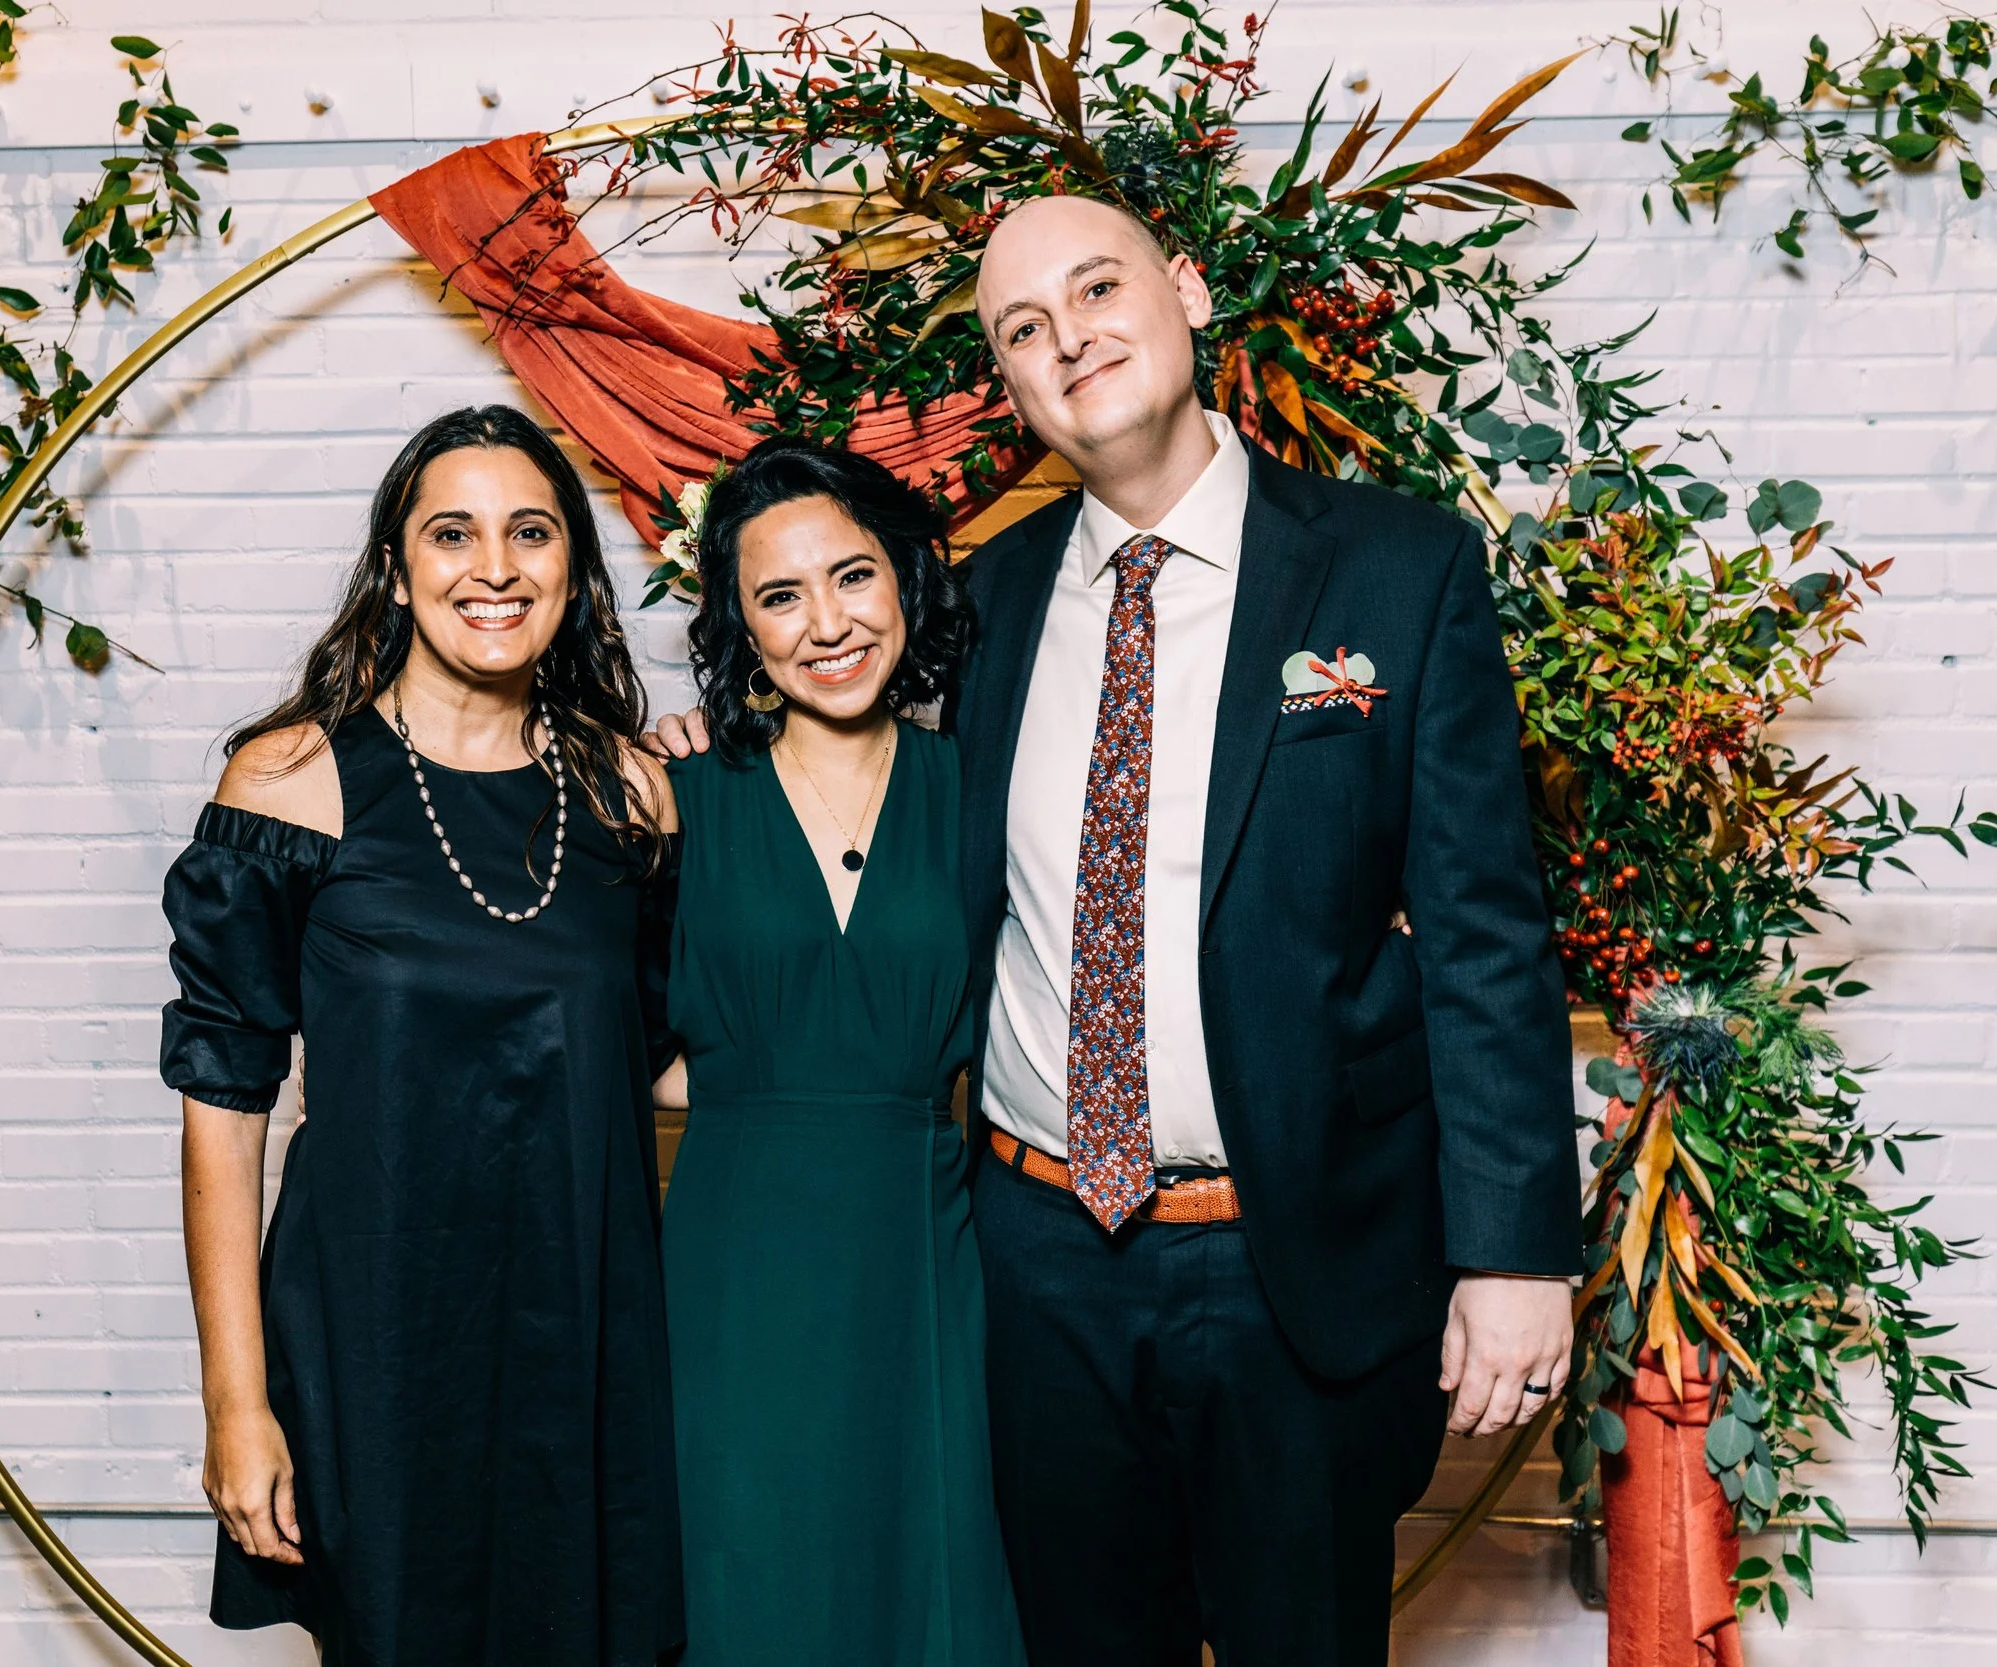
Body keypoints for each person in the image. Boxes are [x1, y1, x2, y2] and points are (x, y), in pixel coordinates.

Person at [655, 194, 1580, 1665]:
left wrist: (1518, 1250)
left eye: (1097, 288)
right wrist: (712, 752)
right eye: (1024, 327)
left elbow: (1483, 931)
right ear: (1010, 388)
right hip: (1033, 1262)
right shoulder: (978, 603)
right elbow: (844, 776)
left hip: (1290, 1264)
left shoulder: (1396, 573)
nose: (1069, 334)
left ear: (1189, 290)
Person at [159, 405, 683, 1665]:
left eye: (530, 532)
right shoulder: (290, 781)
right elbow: (222, 1114)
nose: (492, 567)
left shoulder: (632, 792)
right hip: (374, 1346)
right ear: (399, 566)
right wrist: (238, 1403)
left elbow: (669, 1064)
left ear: (571, 567)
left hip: (581, 1343)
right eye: (452, 533)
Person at [650, 438, 1026, 1667]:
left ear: (907, 582)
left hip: (926, 1255)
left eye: (851, 576)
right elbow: (591, 1031)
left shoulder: (981, 787)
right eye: (779, 594)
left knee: (931, 1585)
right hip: (736, 1267)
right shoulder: (679, 794)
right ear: (737, 627)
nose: (826, 623)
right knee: (749, 1582)